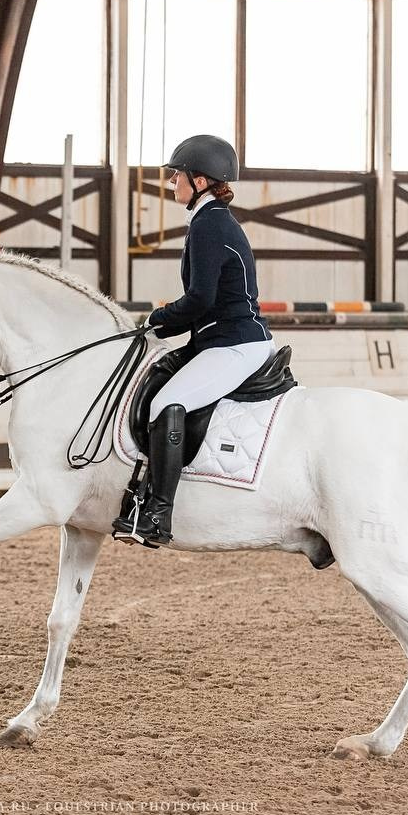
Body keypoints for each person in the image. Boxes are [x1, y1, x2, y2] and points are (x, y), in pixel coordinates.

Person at [113, 134, 275, 547]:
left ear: (199, 181)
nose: (171, 184)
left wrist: (157, 320)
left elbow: (200, 298)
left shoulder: (210, 224)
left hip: (235, 343)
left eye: (176, 177)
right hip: (216, 339)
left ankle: (157, 514)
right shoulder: (210, 221)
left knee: (169, 402)